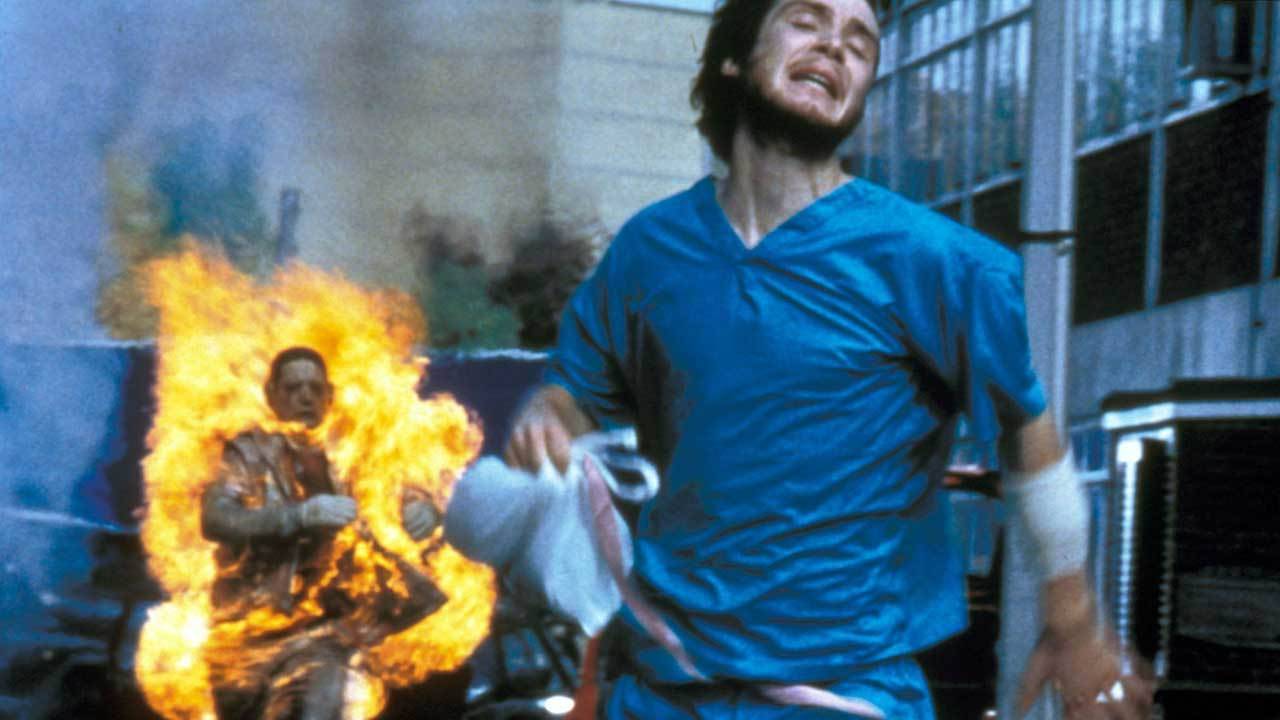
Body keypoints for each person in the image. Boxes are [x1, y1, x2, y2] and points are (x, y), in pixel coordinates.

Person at [503, 1, 1154, 718]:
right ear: (734, 57)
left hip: (843, 695)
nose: (836, 45)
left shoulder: (940, 263)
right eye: (807, 19)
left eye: (860, 43)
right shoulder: (648, 251)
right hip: (661, 692)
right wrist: (549, 414)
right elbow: (575, 391)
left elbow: (1029, 435)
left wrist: (1074, 620)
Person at [201, 346, 443, 720]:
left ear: (329, 396)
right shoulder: (247, 454)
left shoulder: (351, 453)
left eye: (315, 388)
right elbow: (216, 518)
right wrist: (297, 516)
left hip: (327, 631)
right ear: (271, 395)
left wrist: (425, 508)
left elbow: (401, 487)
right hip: (249, 634)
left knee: (324, 705)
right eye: (293, 388)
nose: (305, 397)